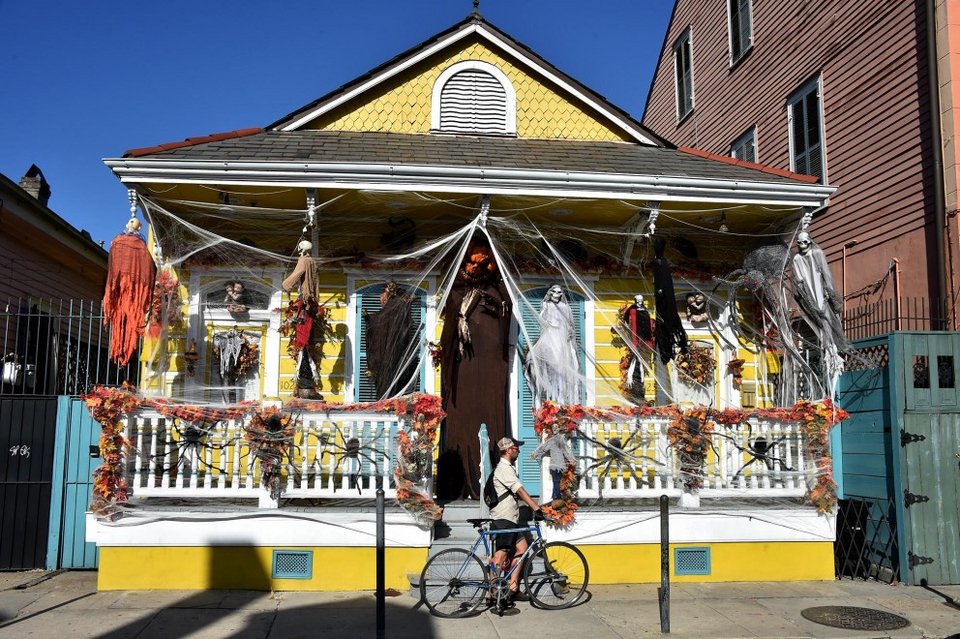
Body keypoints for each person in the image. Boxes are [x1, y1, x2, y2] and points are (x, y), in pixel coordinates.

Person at [489, 436, 541, 601]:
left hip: (510, 518)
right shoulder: (504, 468)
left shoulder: (508, 468)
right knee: (501, 554)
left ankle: (513, 588)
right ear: (509, 450)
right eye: (517, 448)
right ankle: (492, 593)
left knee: (523, 548)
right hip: (503, 518)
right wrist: (536, 508)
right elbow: (519, 490)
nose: (518, 451)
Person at [524, 284, 580, 405]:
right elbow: (541, 318)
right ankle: (549, 397)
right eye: (554, 292)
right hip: (551, 334)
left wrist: (569, 331)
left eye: (559, 292)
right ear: (550, 293)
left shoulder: (565, 307)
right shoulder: (547, 305)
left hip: (562, 337)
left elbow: (569, 323)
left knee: (562, 364)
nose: (556, 294)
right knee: (542, 359)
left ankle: (561, 398)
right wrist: (549, 324)